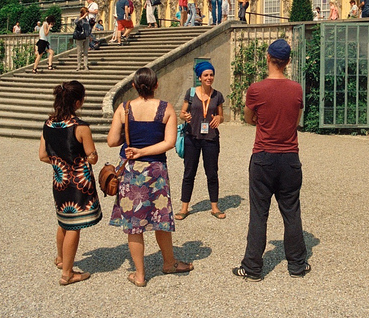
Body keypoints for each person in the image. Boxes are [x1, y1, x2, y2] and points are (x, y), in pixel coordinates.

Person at [107, 68, 193, 287]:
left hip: (130, 171)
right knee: (161, 219)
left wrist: (133, 146)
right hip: (155, 170)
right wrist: (145, 151)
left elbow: (112, 140)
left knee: (134, 225)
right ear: (156, 85)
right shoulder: (166, 109)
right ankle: (169, 263)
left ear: (134, 86)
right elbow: (169, 142)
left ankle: (140, 274)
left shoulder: (124, 108)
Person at [233, 39, 310, 281]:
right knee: (291, 212)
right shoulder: (296, 89)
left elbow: (248, 118)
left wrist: (260, 120)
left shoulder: (256, 89)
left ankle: (253, 267)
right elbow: (297, 120)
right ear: (288, 62)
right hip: (289, 157)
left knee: (259, 213)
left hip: (264, 156)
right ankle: (297, 265)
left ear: (268, 57)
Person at [38, 80, 101, 286]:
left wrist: (59, 163)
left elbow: (42, 155)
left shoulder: (48, 124)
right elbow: (92, 157)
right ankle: (67, 273)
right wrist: (86, 158)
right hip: (78, 181)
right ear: (78, 102)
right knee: (74, 226)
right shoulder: (81, 127)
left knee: (63, 221)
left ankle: (61, 258)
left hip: (59, 180)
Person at [176, 61, 226, 221]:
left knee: (212, 173)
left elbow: (221, 116)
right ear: (199, 77)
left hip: (211, 138)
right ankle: (184, 208)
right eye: (206, 75)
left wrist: (219, 118)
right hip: (192, 137)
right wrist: (184, 116)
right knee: (189, 173)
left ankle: (214, 207)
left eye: (211, 74)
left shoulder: (217, 95)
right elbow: (182, 113)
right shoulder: (190, 93)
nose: (209, 77)